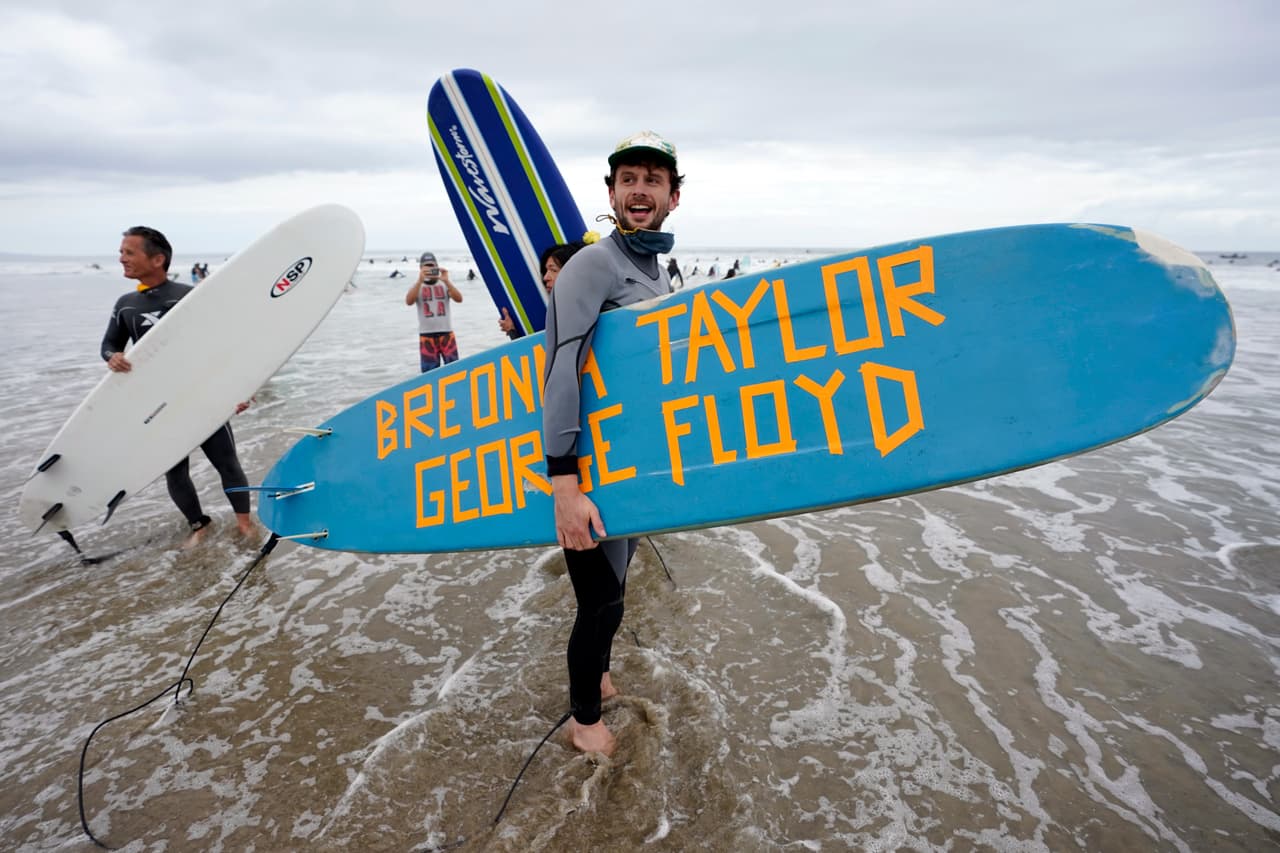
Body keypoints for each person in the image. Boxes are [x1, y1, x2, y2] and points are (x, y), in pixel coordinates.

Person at [542, 131, 683, 756]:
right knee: (597, 598)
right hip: (585, 469)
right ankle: (583, 721)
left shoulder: (658, 270)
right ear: (611, 192)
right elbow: (559, 369)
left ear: (674, 197)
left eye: (653, 179)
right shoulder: (593, 264)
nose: (640, 189)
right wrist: (565, 485)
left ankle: (597, 676)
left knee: (617, 590)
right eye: (629, 178)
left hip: (628, 468)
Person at [104, 226, 256, 546]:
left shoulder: (190, 297)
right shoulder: (126, 304)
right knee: (175, 472)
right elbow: (109, 345)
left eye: (128, 252)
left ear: (157, 259)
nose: (121, 259)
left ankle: (244, 522)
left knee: (226, 463)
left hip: (201, 395)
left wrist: (243, 388)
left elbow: (225, 347)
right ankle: (199, 524)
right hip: (157, 403)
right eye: (121, 252)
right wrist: (113, 357)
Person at [498, 241, 587, 339]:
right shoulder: (561, 316)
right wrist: (511, 331)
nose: (545, 278)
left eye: (553, 270)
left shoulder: (595, 309)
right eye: (546, 271)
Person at [405, 251, 462, 372]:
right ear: (421, 268)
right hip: (426, 335)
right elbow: (409, 301)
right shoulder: (417, 287)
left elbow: (459, 299)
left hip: (446, 333)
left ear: (437, 266)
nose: (430, 269)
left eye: (432, 266)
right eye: (427, 267)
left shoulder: (444, 284)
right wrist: (419, 281)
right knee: (429, 373)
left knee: (455, 370)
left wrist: (447, 281)